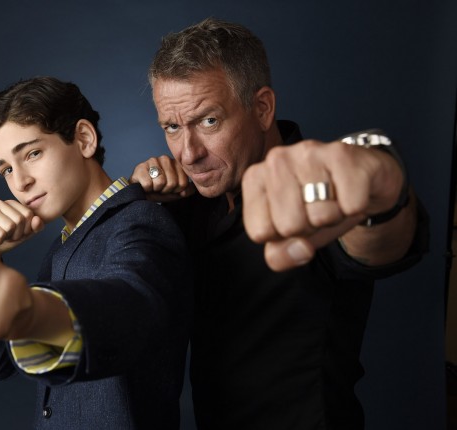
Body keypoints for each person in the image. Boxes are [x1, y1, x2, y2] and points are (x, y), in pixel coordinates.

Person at [130, 18, 428, 429]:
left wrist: (381, 184)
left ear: (262, 108)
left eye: (209, 121)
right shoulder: (184, 205)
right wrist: (136, 205)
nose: (188, 153)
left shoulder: (319, 188)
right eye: (172, 127)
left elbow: (384, 242)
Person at [0, 76, 192, 429]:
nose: (20, 182)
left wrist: (33, 311)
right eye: (7, 169)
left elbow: (132, 303)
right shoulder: (62, 247)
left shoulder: (140, 220)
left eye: (32, 153)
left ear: (84, 139)